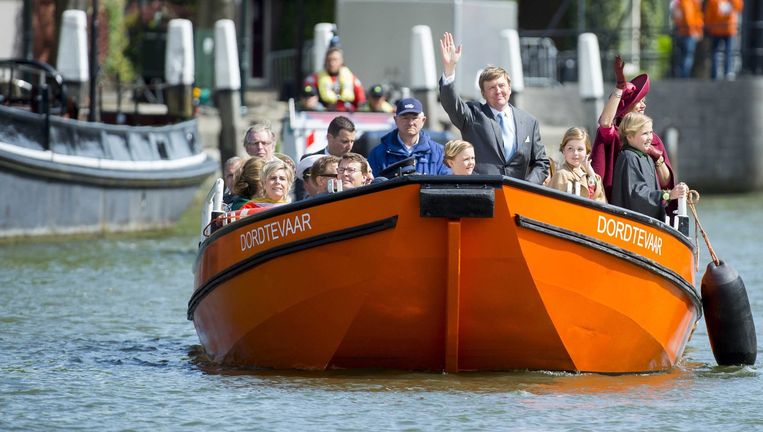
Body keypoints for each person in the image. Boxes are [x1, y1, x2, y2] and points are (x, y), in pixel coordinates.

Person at [438, 32, 549, 182]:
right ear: (483, 93)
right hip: (482, 191)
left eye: (501, 85)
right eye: (491, 88)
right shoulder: (473, 115)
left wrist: (528, 186)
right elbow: (451, 103)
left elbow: (541, 163)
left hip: (517, 195)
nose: (498, 91)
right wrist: (449, 70)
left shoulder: (529, 121)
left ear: (509, 88)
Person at [591, 56, 673, 202]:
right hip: (616, 206)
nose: (643, 105)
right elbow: (605, 123)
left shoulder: (652, 139)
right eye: (638, 102)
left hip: (645, 206)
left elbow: (666, 183)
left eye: (644, 101)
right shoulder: (615, 134)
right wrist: (620, 87)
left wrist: (657, 158)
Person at [611, 113, 688, 220]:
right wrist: (668, 195)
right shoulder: (629, 157)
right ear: (629, 136)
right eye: (645, 134)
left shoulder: (646, 158)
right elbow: (637, 195)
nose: (650, 138)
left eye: (651, 132)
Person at [367, 97, 451, 177]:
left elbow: (444, 185)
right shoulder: (377, 154)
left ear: (423, 121)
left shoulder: (439, 153)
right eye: (405, 118)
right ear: (396, 120)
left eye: (414, 118)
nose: (410, 123)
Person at [547, 127, 606, 203]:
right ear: (563, 151)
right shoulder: (561, 175)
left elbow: (601, 202)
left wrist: (591, 174)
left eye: (580, 149)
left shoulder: (592, 176)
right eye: (570, 148)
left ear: (587, 152)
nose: (575, 153)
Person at [303, 46, 366, 112]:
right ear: (325, 61)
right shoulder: (314, 79)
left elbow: (361, 102)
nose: (332, 63)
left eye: (335, 60)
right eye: (329, 60)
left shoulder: (352, 79)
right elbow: (307, 100)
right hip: (323, 115)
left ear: (342, 61)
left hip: (346, 115)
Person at [705, 0, 744, 80]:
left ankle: (718, 73)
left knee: (720, 52)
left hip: (722, 29)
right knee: (724, 52)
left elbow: (708, 14)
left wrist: (708, 26)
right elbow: (739, 7)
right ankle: (723, 72)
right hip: (725, 28)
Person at [671, 0, 704, 78]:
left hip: (681, 32)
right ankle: (684, 76)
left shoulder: (680, 3)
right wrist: (694, 32)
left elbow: (677, 17)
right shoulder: (688, 3)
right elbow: (688, 18)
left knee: (682, 55)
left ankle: (680, 75)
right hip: (688, 33)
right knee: (688, 55)